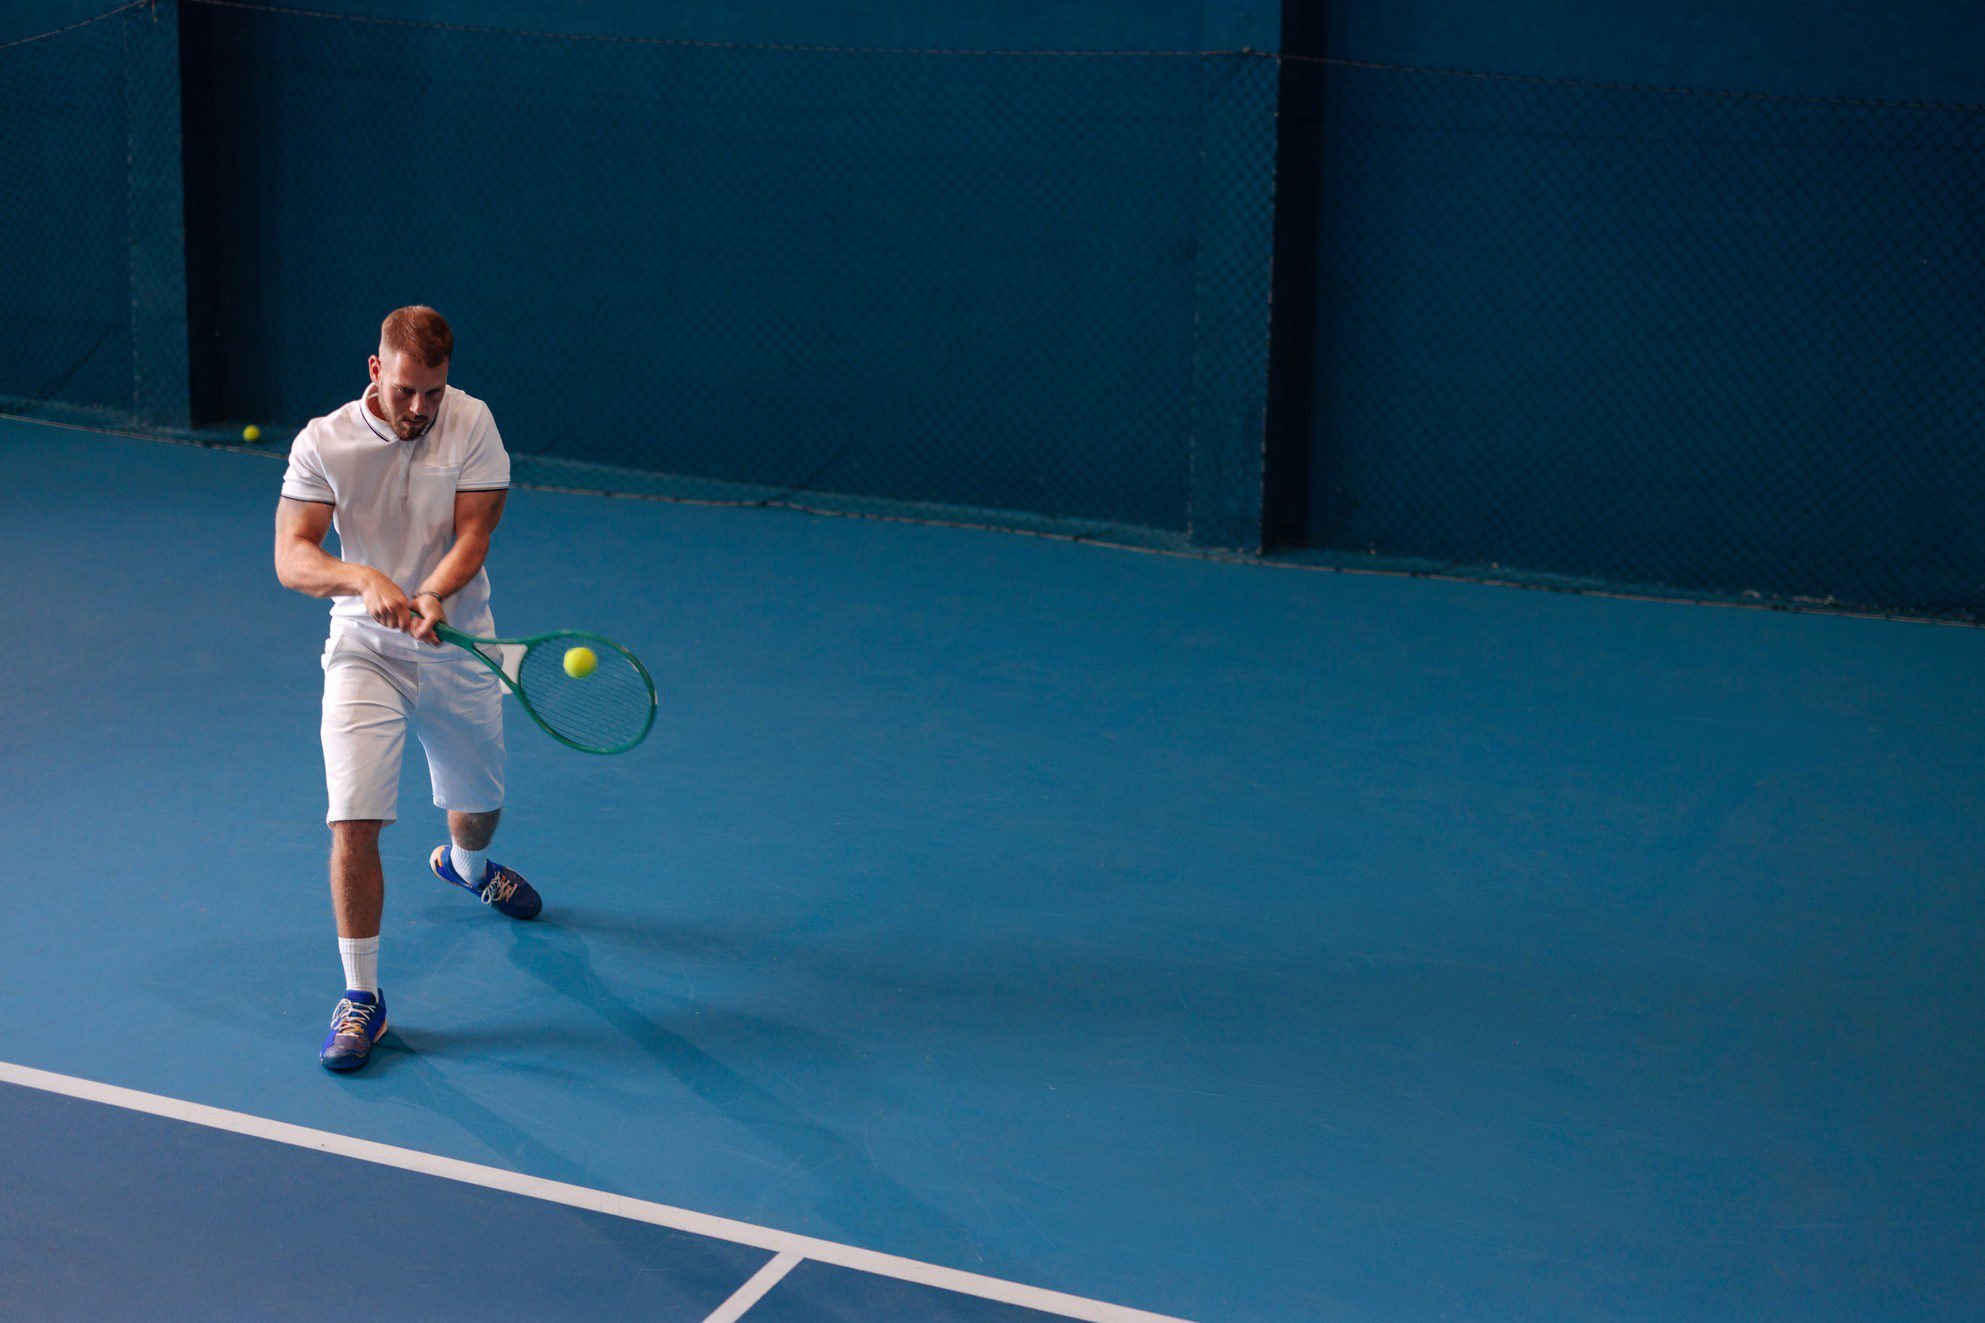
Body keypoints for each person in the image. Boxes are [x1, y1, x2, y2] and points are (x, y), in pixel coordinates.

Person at [274, 305, 542, 1073]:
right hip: (365, 647)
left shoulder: (473, 422)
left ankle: (465, 867)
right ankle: (363, 996)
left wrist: (429, 595)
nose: (420, 407)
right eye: (405, 391)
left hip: (460, 645)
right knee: (353, 820)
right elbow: (293, 558)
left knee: (479, 815)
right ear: (374, 371)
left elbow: (474, 534)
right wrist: (360, 576)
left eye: (433, 391)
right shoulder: (323, 441)